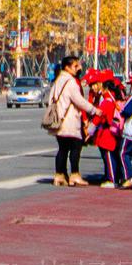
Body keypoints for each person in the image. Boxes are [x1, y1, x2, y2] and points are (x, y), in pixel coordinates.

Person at [46, 56, 100, 186]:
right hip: (70, 120)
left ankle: (60, 175)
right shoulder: (70, 82)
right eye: (76, 66)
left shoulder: (58, 80)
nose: (79, 68)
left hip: (59, 120)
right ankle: (74, 174)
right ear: (67, 67)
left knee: (62, 149)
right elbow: (79, 100)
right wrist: (94, 110)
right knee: (76, 147)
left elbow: (50, 100)